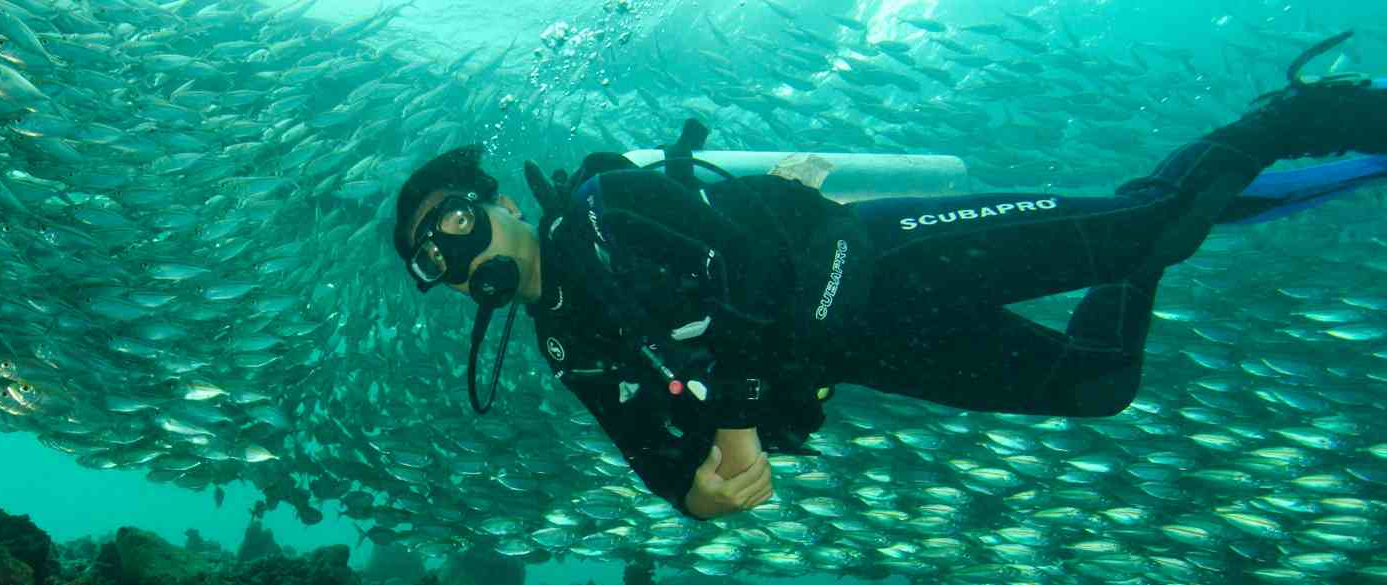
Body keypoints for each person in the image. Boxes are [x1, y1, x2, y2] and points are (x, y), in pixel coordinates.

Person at [388, 33, 1387, 521]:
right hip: (864, 347)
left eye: (458, 221)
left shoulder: (609, 210)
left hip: (874, 254)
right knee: (1096, 385)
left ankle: (1296, 116)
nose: (456, 251)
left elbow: (770, 264)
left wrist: (735, 407)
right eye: (431, 255)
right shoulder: (569, 343)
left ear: (502, 206)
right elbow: (698, 488)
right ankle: (1148, 236)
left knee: (1151, 226)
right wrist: (721, 449)